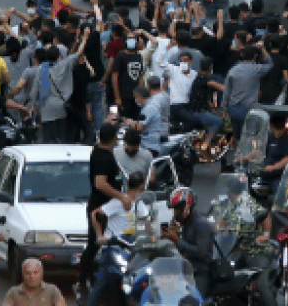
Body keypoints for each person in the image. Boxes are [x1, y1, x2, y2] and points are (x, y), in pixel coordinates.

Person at [80, 124, 130, 297]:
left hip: (108, 207)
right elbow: (100, 183)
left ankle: (105, 280)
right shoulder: (102, 157)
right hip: (101, 208)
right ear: (114, 139)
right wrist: (121, 196)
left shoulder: (101, 151)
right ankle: (85, 281)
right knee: (95, 244)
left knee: (108, 243)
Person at [87, 172, 150, 306]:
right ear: (142, 187)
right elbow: (95, 214)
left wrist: (150, 236)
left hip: (131, 251)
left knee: (141, 280)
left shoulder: (139, 204)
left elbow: (144, 223)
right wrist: (100, 235)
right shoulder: (118, 203)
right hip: (113, 249)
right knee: (101, 284)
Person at [162, 188, 214, 296]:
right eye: (174, 209)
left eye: (178, 209)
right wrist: (175, 239)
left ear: (187, 207)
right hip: (185, 270)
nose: (175, 213)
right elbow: (185, 251)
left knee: (193, 298)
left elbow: (201, 252)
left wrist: (177, 240)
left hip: (200, 272)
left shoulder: (201, 224)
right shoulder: (186, 223)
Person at [262, 113, 288, 195]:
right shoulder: (270, 137)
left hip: (282, 176)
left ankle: (281, 205)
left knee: (280, 192)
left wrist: (273, 167)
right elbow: (261, 150)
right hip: (267, 174)